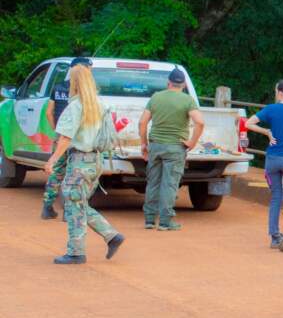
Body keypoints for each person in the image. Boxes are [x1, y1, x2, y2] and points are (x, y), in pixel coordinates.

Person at [44, 63, 125, 264]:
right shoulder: (100, 104)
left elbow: (65, 138)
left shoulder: (76, 106)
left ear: (75, 82)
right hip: (96, 160)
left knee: (74, 203)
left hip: (80, 160)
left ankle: (77, 252)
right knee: (76, 203)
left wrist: (52, 160)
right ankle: (109, 236)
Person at [138, 67, 205, 231]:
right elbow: (200, 122)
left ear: (168, 83)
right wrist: (192, 142)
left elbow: (142, 122)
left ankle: (149, 220)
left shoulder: (155, 97)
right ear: (183, 85)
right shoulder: (187, 100)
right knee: (169, 184)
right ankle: (165, 222)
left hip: (155, 145)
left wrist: (144, 144)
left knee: (153, 181)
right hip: (176, 147)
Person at [245, 79, 283, 251]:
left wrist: (267, 132)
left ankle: (274, 237)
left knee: (275, 198)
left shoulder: (271, 109)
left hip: (272, 159)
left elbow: (248, 123)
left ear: (279, 92)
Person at [42, 57, 92, 220]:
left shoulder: (58, 87)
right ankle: (68, 211)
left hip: (61, 135)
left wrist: (57, 130)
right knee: (73, 173)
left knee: (56, 172)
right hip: (78, 137)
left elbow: (49, 112)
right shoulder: (85, 91)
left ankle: (47, 207)